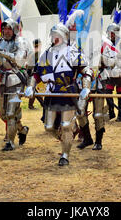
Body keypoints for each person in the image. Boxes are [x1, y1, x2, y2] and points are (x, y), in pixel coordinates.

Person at [25, 21, 93, 166]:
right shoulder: (46, 54)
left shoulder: (72, 51)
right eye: (53, 35)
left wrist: (86, 87)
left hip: (68, 92)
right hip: (52, 94)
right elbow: (36, 74)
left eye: (58, 35)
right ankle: (66, 137)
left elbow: (86, 70)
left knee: (66, 124)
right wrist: (31, 86)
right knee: (49, 127)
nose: (55, 38)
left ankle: (65, 155)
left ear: (64, 36)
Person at [0, 13, 30, 151]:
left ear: (14, 30)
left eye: (9, 29)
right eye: (4, 28)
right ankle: (22, 130)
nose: (6, 31)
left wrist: (0, 53)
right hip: (1, 79)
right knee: (4, 113)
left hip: (16, 79)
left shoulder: (21, 42)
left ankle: (10, 143)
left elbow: (18, 60)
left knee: (11, 113)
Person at [102, 8, 121, 122]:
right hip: (108, 71)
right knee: (107, 93)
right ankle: (111, 112)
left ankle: (120, 114)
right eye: (109, 33)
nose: (111, 35)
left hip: (120, 71)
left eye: (113, 33)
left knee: (120, 93)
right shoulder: (105, 43)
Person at [28, 39, 42, 110]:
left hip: (36, 74)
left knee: (35, 91)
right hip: (32, 74)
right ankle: (41, 103)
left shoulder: (38, 53)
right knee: (34, 90)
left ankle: (32, 105)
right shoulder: (34, 54)